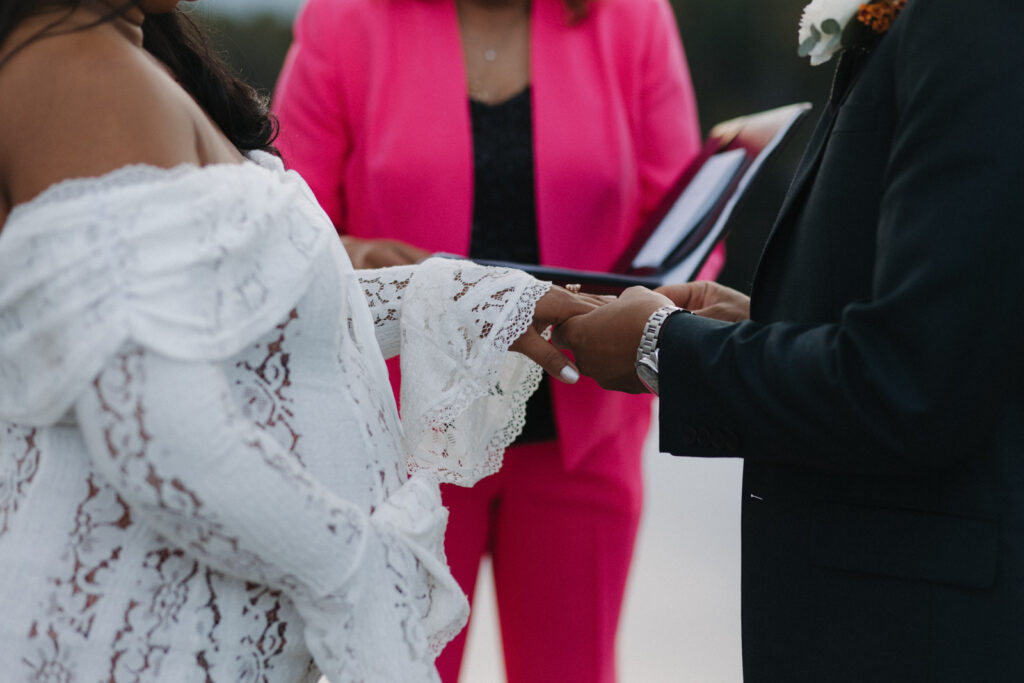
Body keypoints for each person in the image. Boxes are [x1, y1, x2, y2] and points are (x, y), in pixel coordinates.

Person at [0, 1, 600, 681]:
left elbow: (262, 313)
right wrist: (363, 578)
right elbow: (159, 434)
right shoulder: (78, 71)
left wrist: (489, 300)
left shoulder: (126, 58)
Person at [557, 0, 1024, 680]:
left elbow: (911, 382)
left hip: (918, 630)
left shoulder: (971, 19)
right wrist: (768, 327)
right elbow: (959, 318)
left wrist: (663, 348)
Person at [271, 0, 720, 679]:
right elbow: (286, 222)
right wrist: (357, 252)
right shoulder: (343, 21)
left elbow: (688, 223)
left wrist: (661, 315)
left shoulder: (634, 20)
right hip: (402, 437)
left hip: (584, 432)